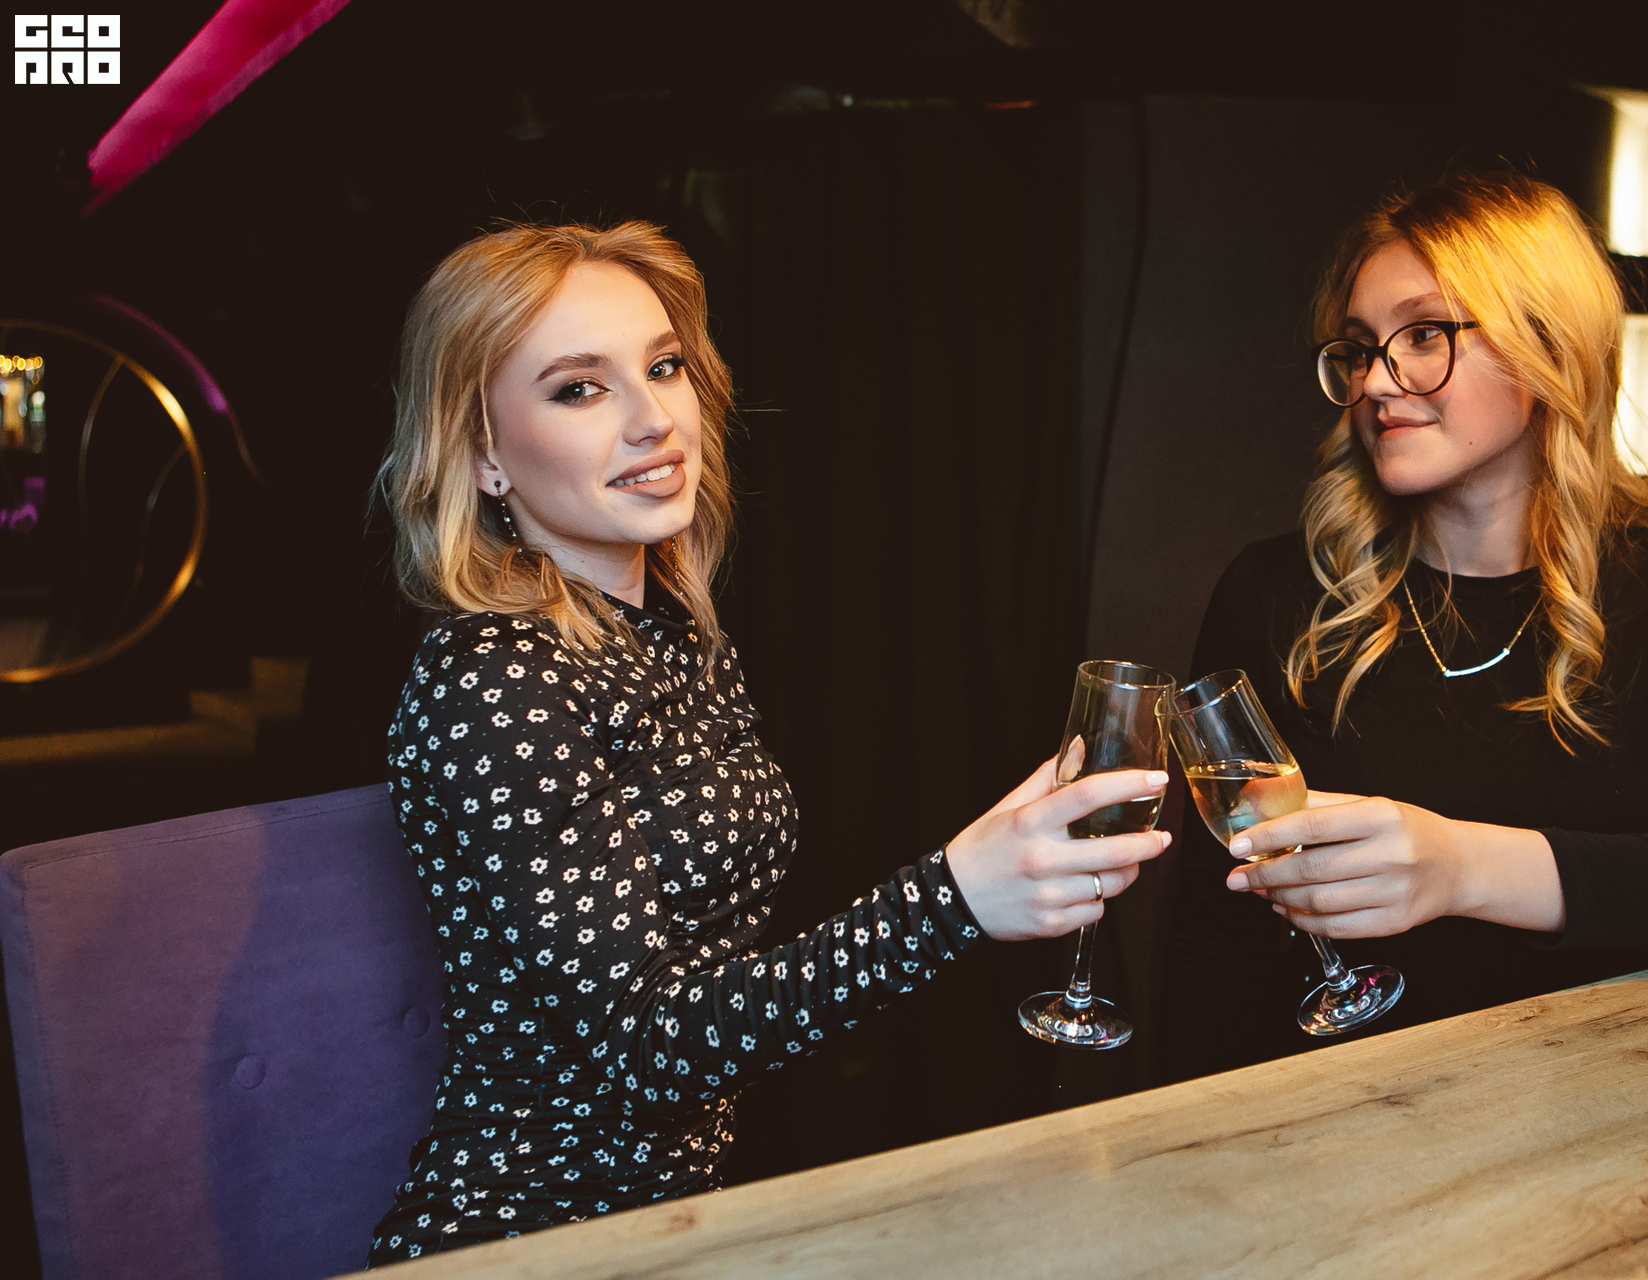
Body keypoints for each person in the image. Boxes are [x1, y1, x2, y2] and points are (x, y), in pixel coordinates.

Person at [365, 222, 1168, 1261]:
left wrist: (986, 869)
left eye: (664, 367)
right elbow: (648, 1050)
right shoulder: (491, 675)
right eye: (579, 388)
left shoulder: (679, 641)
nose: (655, 419)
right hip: (525, 1239)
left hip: (685, 1227)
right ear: (481, 454)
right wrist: (953, 898)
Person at [1160, 172, 1648, 1082]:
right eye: (1359, 348)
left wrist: (1461, 868)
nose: (1375, 381)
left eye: (1424, 334)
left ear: (1547, 345)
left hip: (1595, 1095)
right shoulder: (1277, 593)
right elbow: (1214, 927)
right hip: (1337, 1105)